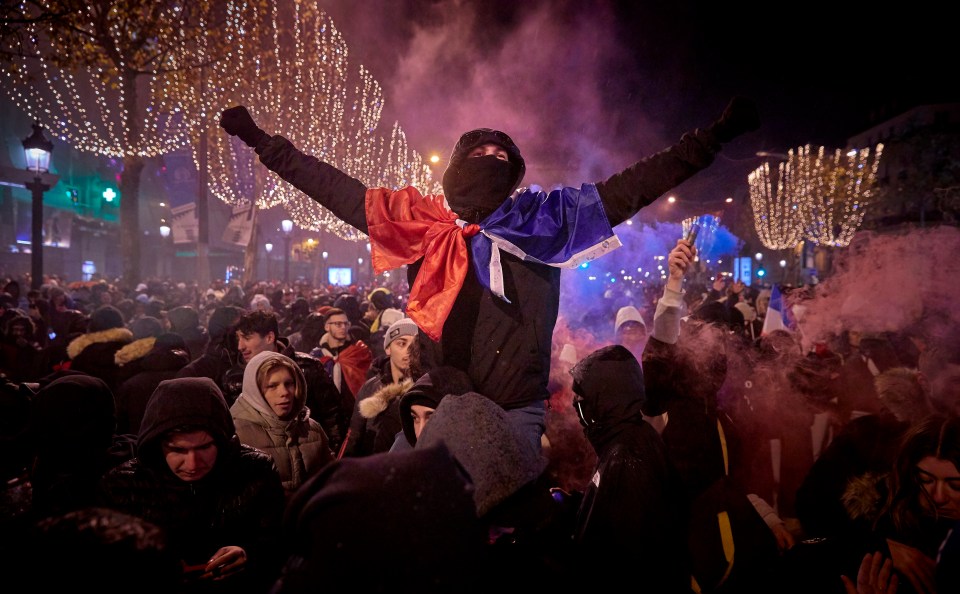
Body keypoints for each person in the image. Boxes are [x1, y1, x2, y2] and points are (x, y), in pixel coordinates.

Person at [220, 96, 760, 453]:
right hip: (436, 403)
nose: (491, 157)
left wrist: (712, 137)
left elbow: (635, 185)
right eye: (478, 151)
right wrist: (264, 143)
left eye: (502, 154)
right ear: (456, 166)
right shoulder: (420, 223)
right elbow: (332, 187)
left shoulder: (546, 222)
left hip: (514, 411)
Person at [98, 377, 286, 593]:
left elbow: (279, 538)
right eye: (178, 450)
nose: (193, 463)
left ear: (222, 440)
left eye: (204, 447)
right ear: (157, 444)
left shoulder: (255, 470)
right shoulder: (121, 486)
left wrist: (249, 553)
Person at [569, 343, 690, 592]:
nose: (577, 407)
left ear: (607, 398)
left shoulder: (626, 457)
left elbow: (630, 559)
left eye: (583, 400)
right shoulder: (628, 438)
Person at [229, 309, 346, 453]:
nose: (240, 346)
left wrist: (330, 455)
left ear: (269, 337)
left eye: (246, 338)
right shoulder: (234, 378)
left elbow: (333, 416)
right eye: (238, 339)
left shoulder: (308, 367)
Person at [231, 351, 333, 496]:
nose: (284, 392)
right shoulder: (237, 435)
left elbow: (331, 479)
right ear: (256, 392)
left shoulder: (312, 429)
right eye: (272, 386)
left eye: (289, 383)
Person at [339, 317, 421, 458]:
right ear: (388, 348)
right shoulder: (371, 387)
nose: (408, 351)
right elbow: (354, 435)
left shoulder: (422, 388)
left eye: (414, 345)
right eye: (401, 344)